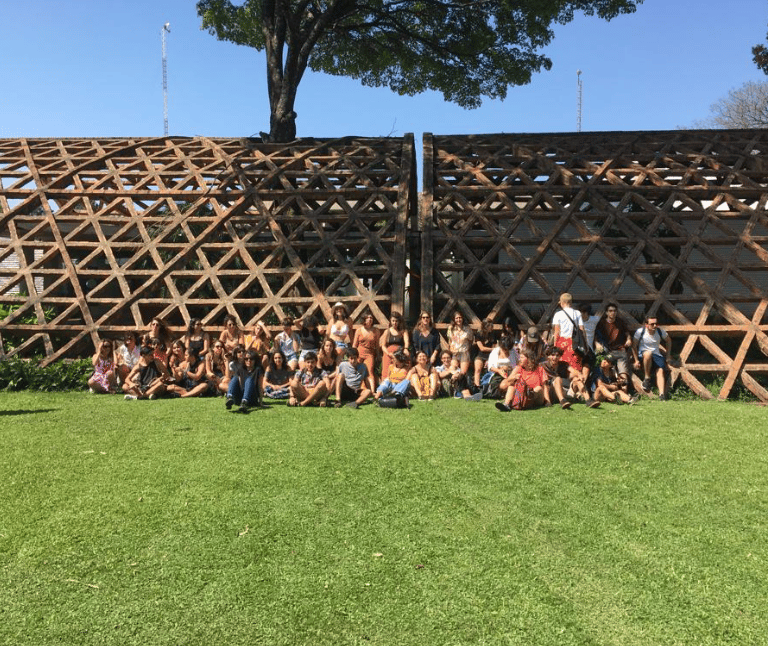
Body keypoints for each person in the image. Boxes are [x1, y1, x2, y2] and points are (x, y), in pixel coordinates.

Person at [632, 314, 672, 400]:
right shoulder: (640, 331)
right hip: (644, 355)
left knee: (660, 371)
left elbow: (669, 341)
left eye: (656, 324)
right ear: (646, 325)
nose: (654, 326)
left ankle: (662, 394)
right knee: (648, 353)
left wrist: (668, 356)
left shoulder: (660, 331)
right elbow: (634, 345)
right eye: (652, 324)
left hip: (657, 355)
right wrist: (636, 360)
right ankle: (647, 378)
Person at [594, 302, 633, 385]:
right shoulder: (602, 323)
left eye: (615, 311)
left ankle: (624, 385)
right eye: (610, 311)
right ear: (606, 312)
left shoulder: (620, 322)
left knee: (623, 368)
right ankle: (606, 385)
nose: (613, 312)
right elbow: (595, 336)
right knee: (603, 364)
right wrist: (597, 344)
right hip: (607, 350)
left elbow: (627, 333)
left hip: (619, 350)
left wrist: (629, 339)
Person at [551, 293, 586, 374]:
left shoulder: (558, 314)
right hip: (574, 343)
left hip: (562, 343)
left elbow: (557, 331)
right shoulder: (577, 313)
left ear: (562, 303)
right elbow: (581, 329)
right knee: (575, 365)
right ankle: (576, 380)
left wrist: (555, 345)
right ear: (571, 302)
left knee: (563, 366)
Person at [225, 348, 263, 413]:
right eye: (246, 359)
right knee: (235, 378)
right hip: (240, 396)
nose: (248, 361)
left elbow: (260, 386)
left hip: (251, 397)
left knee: (249, 379)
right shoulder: (241, 369)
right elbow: (240, 384)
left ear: (255, 360)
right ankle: (229, 397)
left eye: (251, 359)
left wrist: (261, 401)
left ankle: (244, 402)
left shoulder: (258, 370)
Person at [352, 311, 380, 388]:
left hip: (369, 353)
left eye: (371, 318)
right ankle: (358, 388)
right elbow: (354, 345)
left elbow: (377, 345)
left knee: (369, 372)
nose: (370, 319)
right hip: (359, 352)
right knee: (357, 371)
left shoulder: (376, 331)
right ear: (364, 319)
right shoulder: (359, 330)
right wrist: (353, 355)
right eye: (367, 318)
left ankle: (372, 390)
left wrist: (378, 355)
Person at [380, 311, 410, 380]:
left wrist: (406, 349)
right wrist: (388, 353)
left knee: (406, 358)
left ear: (399, 321)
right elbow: (383, 345)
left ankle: (402, 380)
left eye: (396, 321)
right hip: (389, 352)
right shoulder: (387, 331)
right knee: (386, 363)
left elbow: (406, 342)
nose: (395, 323)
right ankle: (385, 381)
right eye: (393, 321)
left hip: (399, 351)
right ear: (390, 321)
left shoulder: (403, 331)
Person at [446, 310, 474, 379]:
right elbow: (450, 341)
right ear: (454, 319)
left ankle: (461, 384)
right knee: (452, 369)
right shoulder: (451, 328)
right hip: (454, 353)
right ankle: (454, 383)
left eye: (460, 318)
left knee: (463, 373)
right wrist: (451, 350)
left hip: (464, 352)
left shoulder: (467, 329)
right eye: (457, 318)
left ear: (462, 318)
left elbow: (471, 340)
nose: (458, 320)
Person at [472, 319, 496, 391]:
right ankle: (477, 386)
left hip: (490, 356)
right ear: (486, 326)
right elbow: (482, 348)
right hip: (480, 355)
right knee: (477, 368)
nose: (491, 327)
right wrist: (492, 349)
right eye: (490, 326)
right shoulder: (478, 334)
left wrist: (489, 359)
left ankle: (487, 387)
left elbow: (494, 348)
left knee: (491, 369)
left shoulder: (493, 335)